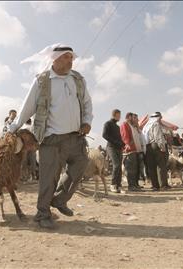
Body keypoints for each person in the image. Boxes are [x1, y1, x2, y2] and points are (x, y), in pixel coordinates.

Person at [9, 44, 93, 229]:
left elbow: (86, 103)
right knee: (48, 178)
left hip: (75, 137)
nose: (70, 61)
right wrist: (13, 127)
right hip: (51, 139)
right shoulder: (42, 81)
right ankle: (42, 214)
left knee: (80, 166)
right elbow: (27, 107)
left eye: (72, 58)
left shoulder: (78, 79)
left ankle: (60, 200)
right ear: (55, 59)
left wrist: (87, 122)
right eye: (66, 57)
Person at [143, 112, 170, 191]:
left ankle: (155, 185)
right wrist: (162, 147)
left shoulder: (146, 126)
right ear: (157, 117)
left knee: (151, 167)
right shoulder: (155, 124)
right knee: (161, 165)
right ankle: (163, 185)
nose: (160, 119)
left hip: (148, 147)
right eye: (160, 118)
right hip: (156, 145)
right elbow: (158, 136)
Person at [120, 113, 144, 192]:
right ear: (128, 118)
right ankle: (131, 186)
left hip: (136, 150)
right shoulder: (125, 124)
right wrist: (128, 144)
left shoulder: (134, 127)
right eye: (133, 118)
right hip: (129, 151)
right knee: (130, 169)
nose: (135, 120)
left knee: (135, 170)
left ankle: (135, 185)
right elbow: (125, 136)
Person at [103, 109, 125, 193]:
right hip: (111, 147)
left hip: (118, 148)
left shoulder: (117, 127)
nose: (120, 117)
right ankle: (113, 185)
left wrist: (122, 143)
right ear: (114, 115)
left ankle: (119, 186)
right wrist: (116, 142)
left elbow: (119, 138)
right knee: (116, 165)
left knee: (119, 166)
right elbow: (104, 135)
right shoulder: (108, 124)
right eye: (118, 115)